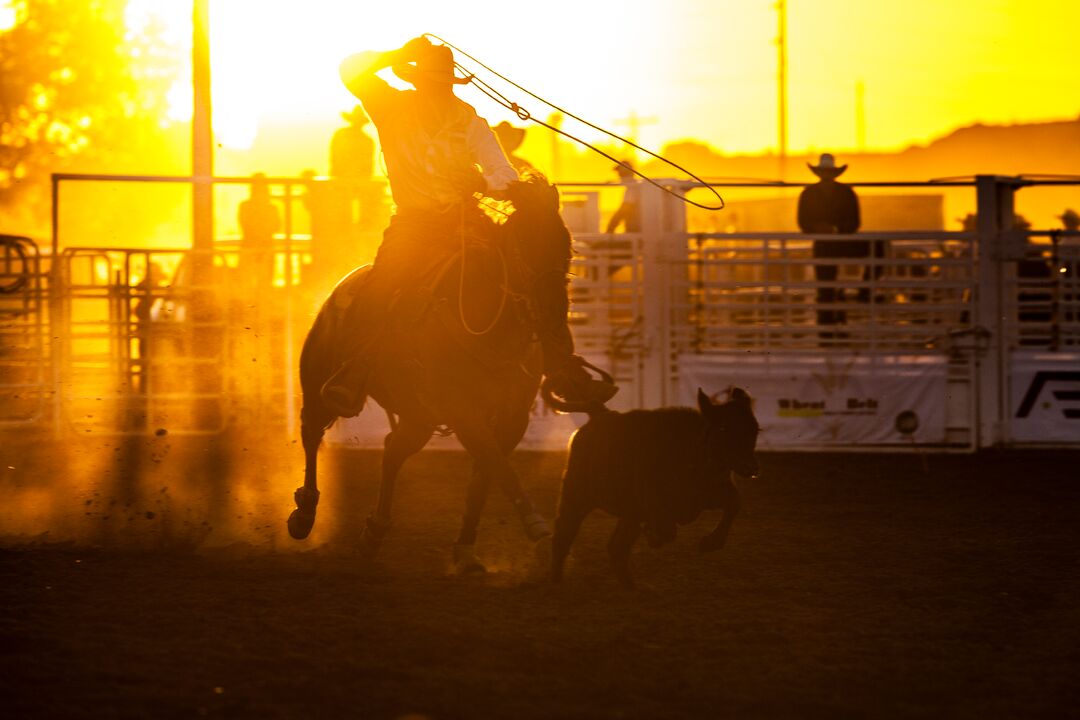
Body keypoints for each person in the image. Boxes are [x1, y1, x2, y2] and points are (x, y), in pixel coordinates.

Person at [320, 36, 616, 416]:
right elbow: (350, 69)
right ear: (418, 81)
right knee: (381, 285)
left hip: (467, 222)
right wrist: (397, 54)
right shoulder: (390, 106)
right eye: (432, 81)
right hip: (414, 224)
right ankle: (355, 370)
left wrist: (483, 184)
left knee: (535, 277)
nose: (438, 88)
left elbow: (501, 173)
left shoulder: (468, 120)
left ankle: (560, 367)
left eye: (442, 82)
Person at [797, 153, 875, 332]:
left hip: (831, 244)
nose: (826, 175)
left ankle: (862, 292)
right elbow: (803, 222)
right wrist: (823, 228)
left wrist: (832, 229)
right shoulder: (844, 192)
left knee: (825, 286)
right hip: (828, 244)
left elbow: (854, 222)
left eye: (828, 172)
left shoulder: (810, 194)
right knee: (825, 288)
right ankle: (862, 293)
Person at [237, 173, 280, 292]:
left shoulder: (270, 208)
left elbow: (276, 226)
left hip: (261, 249)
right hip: (255, 248)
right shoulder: (247, 207)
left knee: (261, 286)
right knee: (249, 287)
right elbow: (247, 225)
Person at [605, 160, 641, 234]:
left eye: (620, 172)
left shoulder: (632, 188)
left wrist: (611, 227)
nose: (618, 175)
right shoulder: (637, 186)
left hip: (634, 227)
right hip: (638, 226)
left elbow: (624, 208)